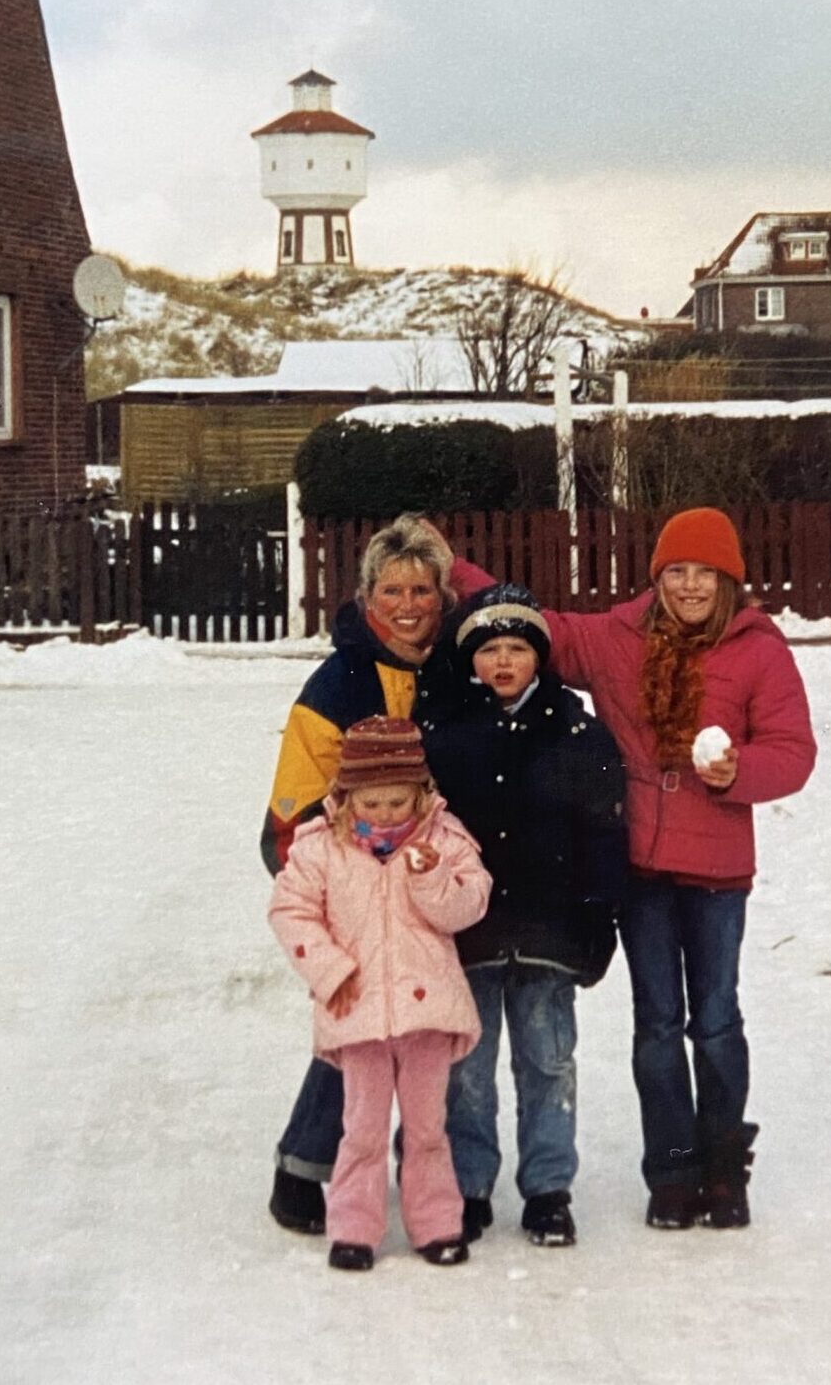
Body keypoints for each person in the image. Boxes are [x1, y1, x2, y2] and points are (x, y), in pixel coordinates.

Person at [450, 507, 816, 1230]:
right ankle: (672, 1172)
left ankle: (722, 1167)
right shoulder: (619, 639)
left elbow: (794, 751)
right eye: (675, 571)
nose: (688, 586)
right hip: (643, 869)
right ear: (658, 576)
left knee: (715, 1021)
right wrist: (450, 568)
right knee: (656, 1023)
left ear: (728, 580)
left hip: (717, 873)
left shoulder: (759, 651)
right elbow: (531, 624)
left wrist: (738, 769)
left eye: (703, 573)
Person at [259, 514, 469, 1235]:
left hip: (435, 878)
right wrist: (335, 875)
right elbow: (291, 810)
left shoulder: (455, 665)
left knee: (429, 1039)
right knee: (361, 1037)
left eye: (422, 589)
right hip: (356, 884)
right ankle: (304, 1165)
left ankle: (431, 1181)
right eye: (390, 590)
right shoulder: (338, 682)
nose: (407, 605)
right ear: (365, 598)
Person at [423, 583, 629, 1248]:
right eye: (489, 650)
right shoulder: (448, 734)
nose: (503, 662)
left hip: (550, 931)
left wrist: (598, 923)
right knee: (467, 1069)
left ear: (540, 656)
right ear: (471, 660)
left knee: (548, 1059)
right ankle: (469, 1185)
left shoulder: (577, 733)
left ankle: (547, 1188)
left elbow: (605, 835)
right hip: (471, 933)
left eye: (517, 648)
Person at [268, 717, 491, 1271]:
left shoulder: (445, 840)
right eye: (374, 801)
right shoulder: (321, 847)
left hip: (428, 1014)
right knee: (361, 1128)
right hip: (358, 1009)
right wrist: (329, 970)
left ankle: (437, 1223)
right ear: (347, 797)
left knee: (427, 1127)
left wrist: (432, 879)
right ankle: (354, 1227)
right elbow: (289, 911)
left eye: (399, 801)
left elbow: (469, 906)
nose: (387, 814)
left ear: (421, 794)